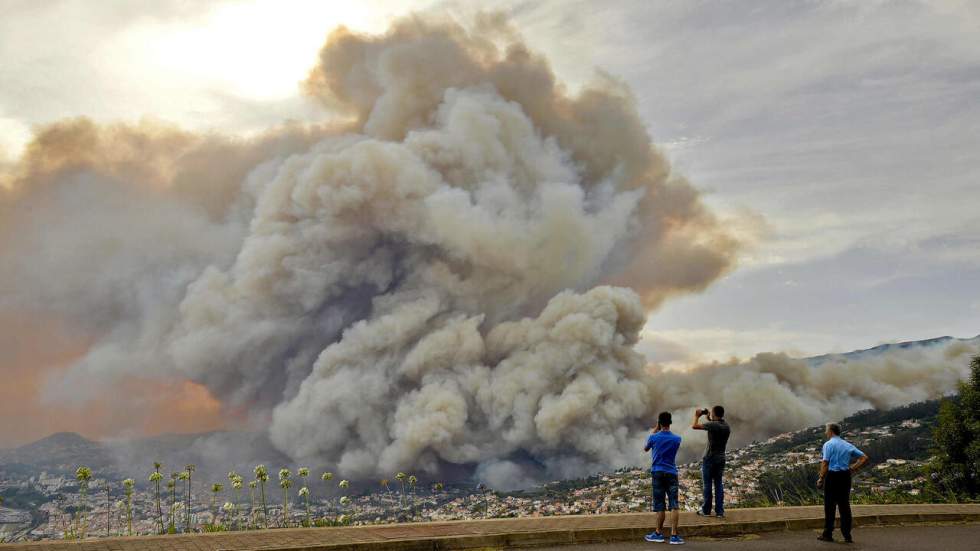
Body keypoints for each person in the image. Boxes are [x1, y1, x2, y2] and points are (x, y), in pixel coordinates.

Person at [816, 422, 869, 543]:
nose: (825, 433)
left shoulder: (828, 445)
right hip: (845, 476)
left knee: (830, 506)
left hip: (833, 476)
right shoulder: (847, 445)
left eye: (826, 430)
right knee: (844, 505)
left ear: (831, 432)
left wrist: (820, 478)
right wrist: (853, 468)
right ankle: (847, 535)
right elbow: (864, 457)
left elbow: (825, 463)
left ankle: (828, 534)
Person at [643, 411, 685, 545]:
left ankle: (658, 533)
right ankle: (674, 535)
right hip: (672, 472)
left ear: (660, 423)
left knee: (660, 505)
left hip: (658, 473)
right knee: (674, 504)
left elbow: (645, 448)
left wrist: (656, 428)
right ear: (670, 423)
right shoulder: (677, 439)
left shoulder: (653, 437)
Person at [692, 405, 731, 517]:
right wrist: (709, 417)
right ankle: (720, 512)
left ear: (714, 414)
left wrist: (697, 415)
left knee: (707, 485)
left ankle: (706, 510)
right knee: (718, 484)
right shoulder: (726, 426)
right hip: (721, 458)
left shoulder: (713, 425)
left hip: (710, 458)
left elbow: (694, 426)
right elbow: (714, 424)